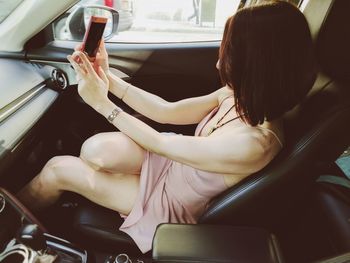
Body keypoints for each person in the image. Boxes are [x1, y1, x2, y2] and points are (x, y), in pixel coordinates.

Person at [17, 0, 316, 253]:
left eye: (231, 55)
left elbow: (161, 143)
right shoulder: (236, 96)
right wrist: (109, 80)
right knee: (96, 150)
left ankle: (9, 222)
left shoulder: (255, 142)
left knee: (58, 169)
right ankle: (81, 190)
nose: (218, 65)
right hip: (170, 165)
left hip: (171, 203)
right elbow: (166, 112)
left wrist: (101, 103)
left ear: (259, 64)